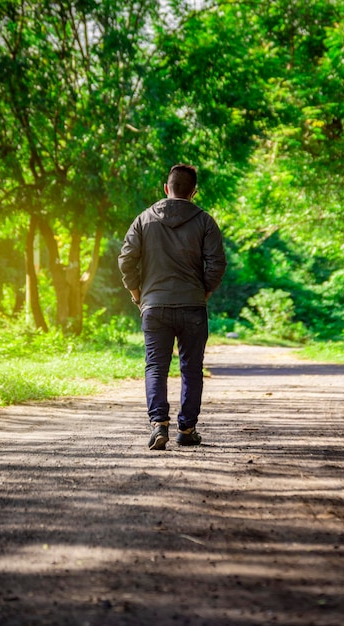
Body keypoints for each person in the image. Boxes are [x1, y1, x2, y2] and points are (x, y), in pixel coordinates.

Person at [118, 164, 227, 450]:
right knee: (191, 369)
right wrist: (203, 292)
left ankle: (158, 426)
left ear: (166, 188)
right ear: (194, 192)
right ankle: (187, 429)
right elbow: (217, 264)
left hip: (154, 306)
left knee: (155, 366)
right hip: (192, 306)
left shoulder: (143, 219)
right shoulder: (204, 221)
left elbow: (126, 259)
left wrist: (137, 294)